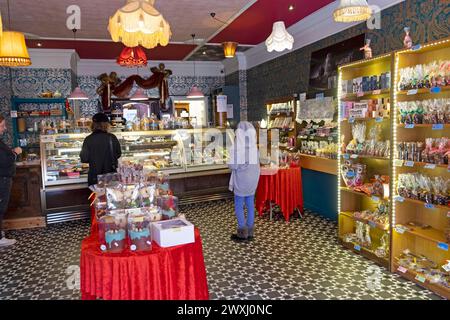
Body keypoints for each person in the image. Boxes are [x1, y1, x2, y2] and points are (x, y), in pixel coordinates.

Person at [228, 121, 260, 242]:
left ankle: (242, 232)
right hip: (253, 181)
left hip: (241, 181)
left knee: (239, 205)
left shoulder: (238, 148)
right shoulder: (254, 147)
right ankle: (250, 231)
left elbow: (232, 165)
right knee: (250, 205)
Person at [80, 113, 121, 186]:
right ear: (106, 124)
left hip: (94, 176)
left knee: (96, 196)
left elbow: (84, 158)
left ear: (93, 124)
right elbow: (118, 154)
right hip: (110, 175)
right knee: (111, 196)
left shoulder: (88, 139)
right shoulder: (112, 137)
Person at [0, 115, 22, 247]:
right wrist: (15, 153)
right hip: (2, 179)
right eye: (2, 125)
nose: (4, 128)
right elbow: (3, 160)